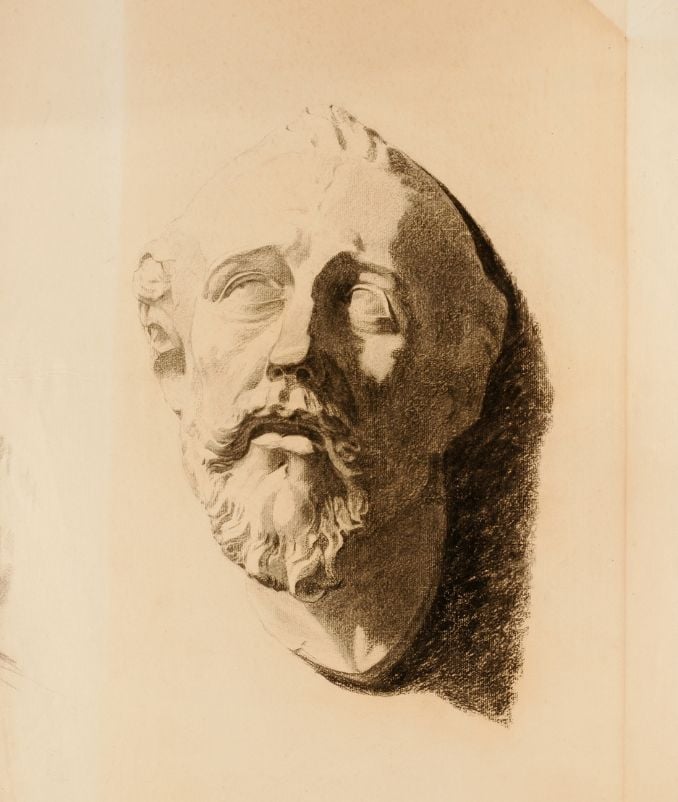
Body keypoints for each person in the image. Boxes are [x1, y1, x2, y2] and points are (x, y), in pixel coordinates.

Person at [134, 106, 550, 719]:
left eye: (366, 303)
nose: (294, 349)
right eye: (250, 290)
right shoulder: (143, 666)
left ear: (459, 382)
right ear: (174, 358)